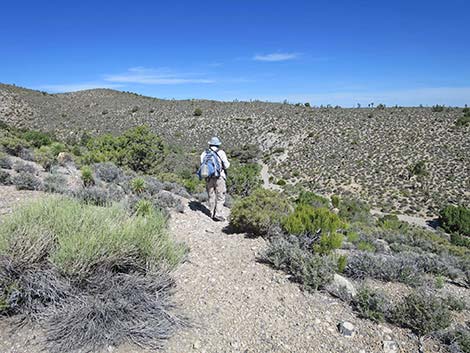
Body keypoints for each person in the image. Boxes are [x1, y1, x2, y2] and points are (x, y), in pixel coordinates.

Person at [200, 137, 230, 221]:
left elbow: (202, 164)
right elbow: (227, 165)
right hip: (220, 177)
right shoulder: (221, 152)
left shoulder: (204, 153)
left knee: (211, 195)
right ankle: (218, 214)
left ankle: (211, 213)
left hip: (208, 178)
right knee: (220, 196)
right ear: (218, 144)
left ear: (210, 144)